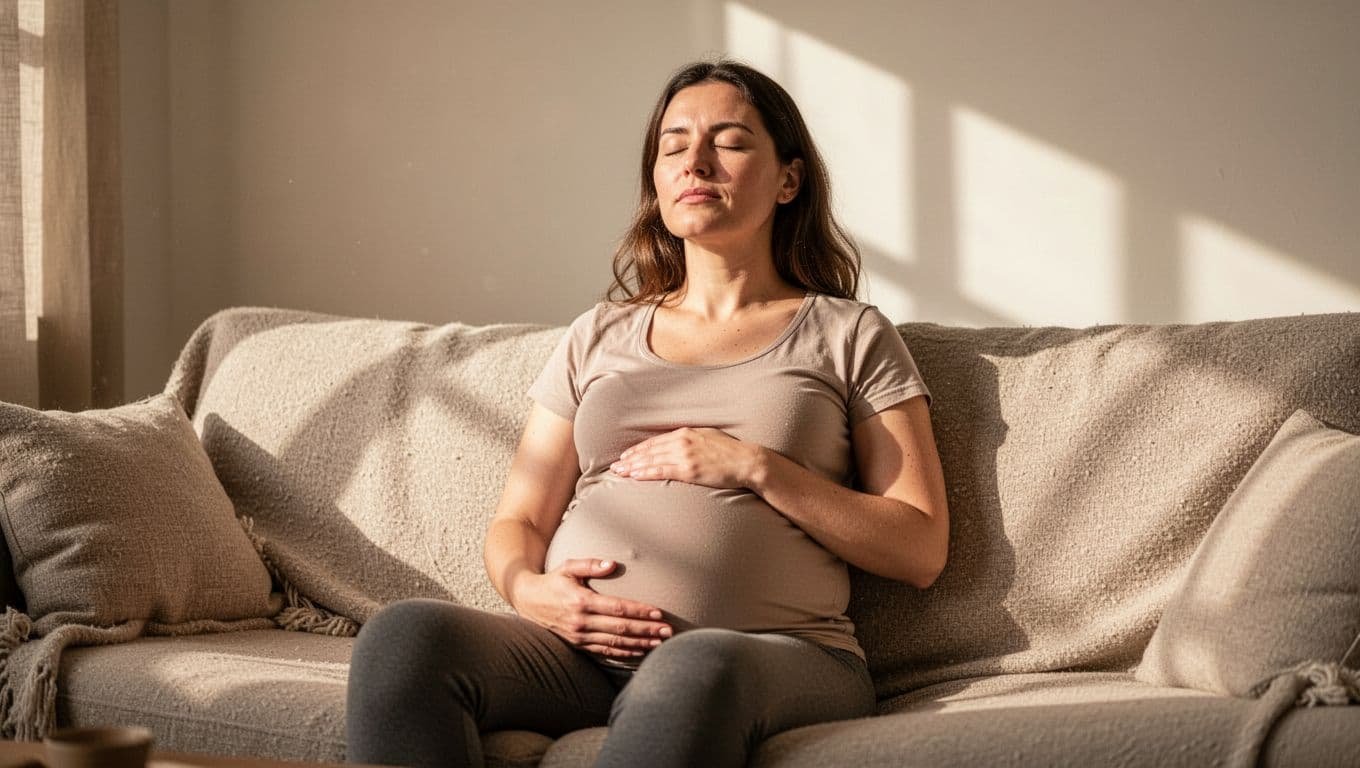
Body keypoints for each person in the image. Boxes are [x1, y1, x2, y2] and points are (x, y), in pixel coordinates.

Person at [345, 58, 949, 768]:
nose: (695, 160)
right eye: (673, 144)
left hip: (780, 658)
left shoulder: (847, 334)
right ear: (657, 182)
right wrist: (532, 591)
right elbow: (521, 520)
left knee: (687, 670)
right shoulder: (597, 335)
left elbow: (919, 548)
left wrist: (755, 465)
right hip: (581, 658)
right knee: (403, 640)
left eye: (729, 141)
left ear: (788, 179)